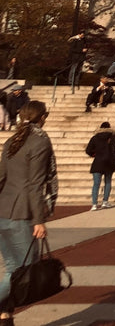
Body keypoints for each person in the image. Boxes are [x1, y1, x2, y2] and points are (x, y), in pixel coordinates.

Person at [0, 100, 58, 321]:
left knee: (13, 268)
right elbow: (35, 185)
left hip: (3, 210)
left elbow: (1, 177)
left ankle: (5, 314)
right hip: (22, 213)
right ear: (41, 117)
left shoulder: (12, 140)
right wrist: (38, 219)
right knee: (25, 270)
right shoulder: (40, 142)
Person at [85, 121, 115, 210]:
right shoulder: (112, 137)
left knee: (96, 184)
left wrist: (94, 154)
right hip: (109, 163)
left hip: (98, 163)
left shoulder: (95, 137)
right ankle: (105, 202)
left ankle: (94, 204)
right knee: (107, 182)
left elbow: (88, 150)